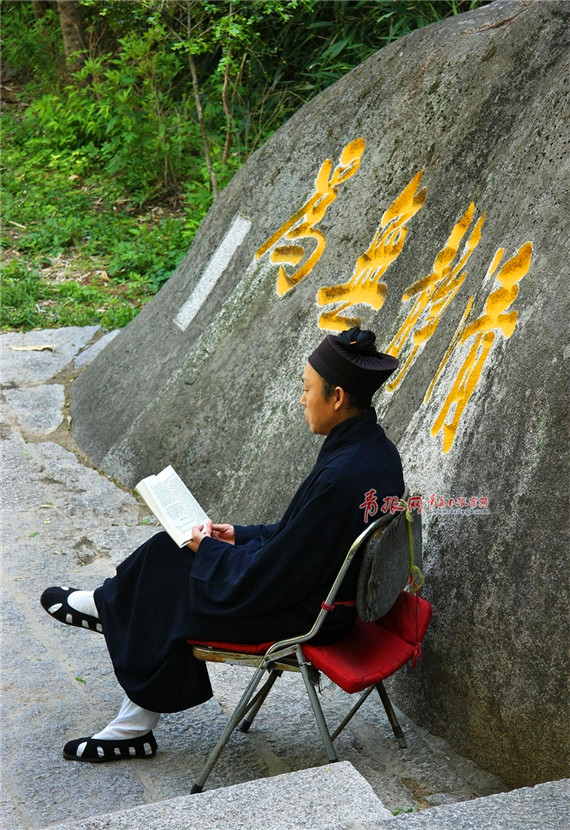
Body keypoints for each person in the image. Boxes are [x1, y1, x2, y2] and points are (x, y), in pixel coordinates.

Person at [41, 326, 404, 763]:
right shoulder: (374, 450)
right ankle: (110, 610)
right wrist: (238, 536)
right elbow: (303, 537)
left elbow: (273, 574)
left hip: (312, 614)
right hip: (318, 591)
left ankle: (117, 642)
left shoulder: (342, 474)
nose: (302, 399)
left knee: (169, 588)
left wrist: (208, 551)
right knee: (169, 552)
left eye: (307, 389)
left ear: (338, 396)